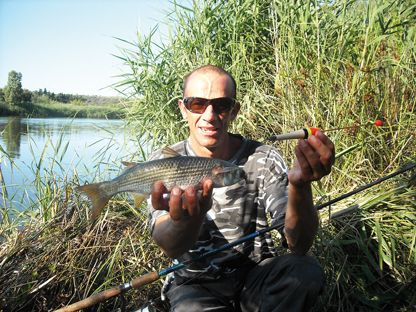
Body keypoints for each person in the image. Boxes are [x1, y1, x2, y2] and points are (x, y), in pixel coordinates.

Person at [147, 64, 335, 312]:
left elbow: (299, 244)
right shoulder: (163, 162)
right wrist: (190, 218)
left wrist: (300, 186)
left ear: (234, 110)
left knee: (305, 271)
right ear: (183, 109)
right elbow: (168, 244)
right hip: (194, 284)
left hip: (256, 277)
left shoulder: (263, 158)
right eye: (197, 104)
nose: (210, 115)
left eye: (221, 105)